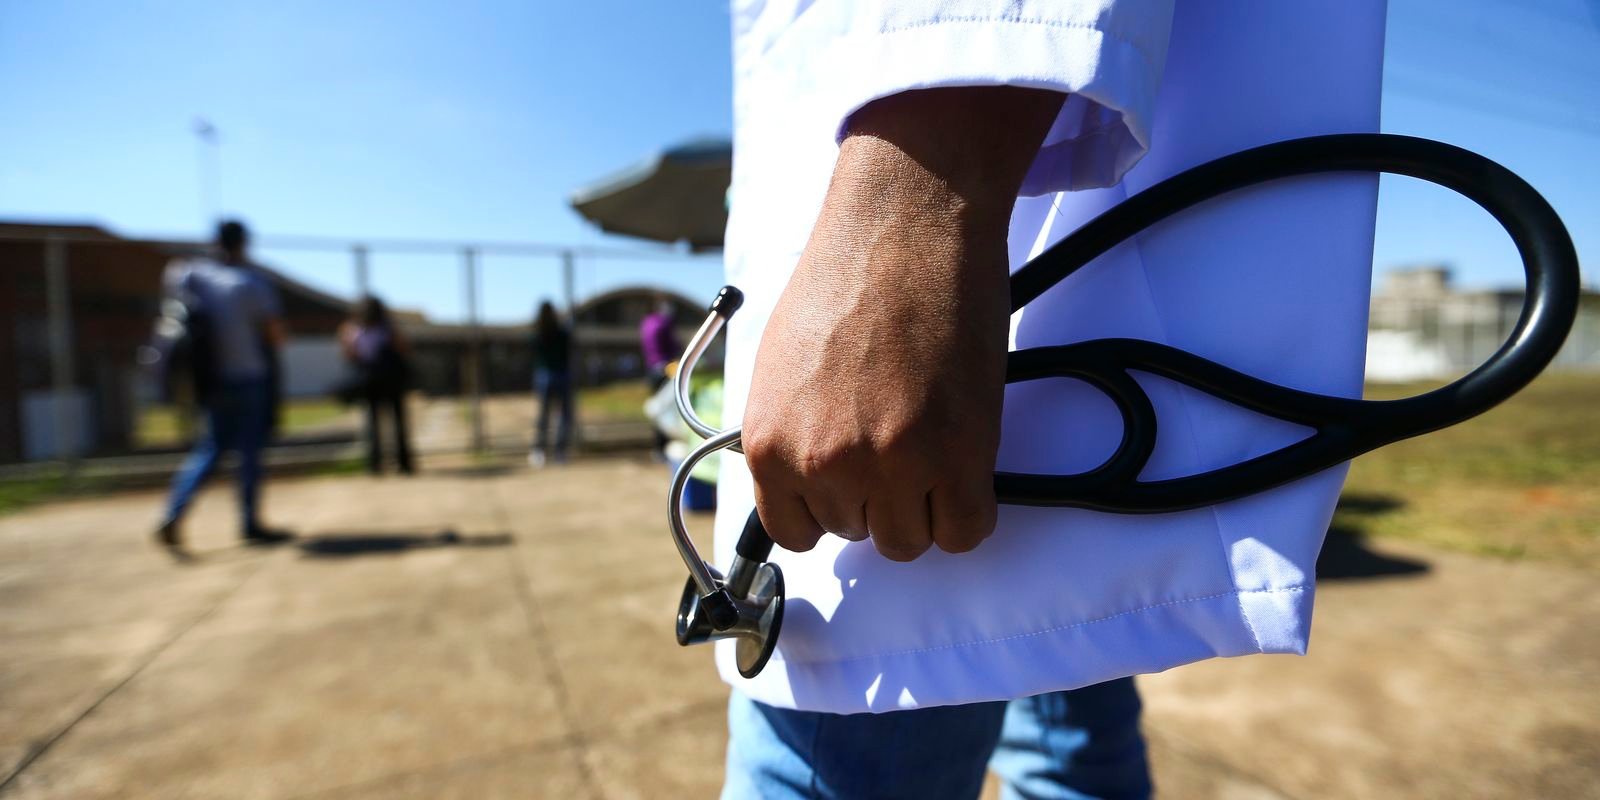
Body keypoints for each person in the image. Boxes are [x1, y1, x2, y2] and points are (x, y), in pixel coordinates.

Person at [714, 2, 1386, 798]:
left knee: (858, 720)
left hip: (927, 236)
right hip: (1011, 262)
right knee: (1062, 680)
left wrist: (909, 202)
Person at [155, 220, 291, 549]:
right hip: (249, 376)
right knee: (249, 452)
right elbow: (274, 335)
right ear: (243, 243)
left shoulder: (191, 274)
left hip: (210, 379)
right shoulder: (251, 282)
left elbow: (172, 301)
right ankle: (250, 523)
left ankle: (174, 513)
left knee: (210, 448)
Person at [339, 295, 414, 475]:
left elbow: (349, 354)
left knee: (373, 423)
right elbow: (404, 350)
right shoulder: (387, 328)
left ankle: (376, 464)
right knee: (395, 421)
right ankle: (402, 463)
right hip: (389, 380)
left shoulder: (355, 329)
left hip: (372, 379)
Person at [529, 301, 574, 467]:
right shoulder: (557, 332)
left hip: (549, 375)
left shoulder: (540, 332)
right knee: (557, 416)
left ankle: (542, 450)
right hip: (556, 375)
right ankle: (555, 451)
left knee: (546, 416)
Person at [639, 297, 680, 457]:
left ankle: (657, 448)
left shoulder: (646, 322)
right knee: (666, 409)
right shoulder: (664, 322)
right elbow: (672, 345)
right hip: (665, 369)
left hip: (651, 369)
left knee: (658, 407)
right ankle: (664, 445)